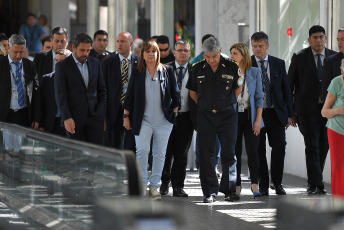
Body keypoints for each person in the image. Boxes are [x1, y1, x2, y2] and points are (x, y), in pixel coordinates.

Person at [187, 37, 243, 203]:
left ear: (220, 51)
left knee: (229, 154)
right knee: (206, 155)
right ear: (204, 54)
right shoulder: (196, 68)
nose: (211, 60)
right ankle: (209, 191)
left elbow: (238, 88)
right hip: (205, 116)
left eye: (214, 56)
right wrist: (205, 106)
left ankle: (230, 190)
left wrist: (225, 104)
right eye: (208, 57)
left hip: (227, 116)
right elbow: (193, 93)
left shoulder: (232, 66)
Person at [123, 41, 180, 200]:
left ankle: (154, 186)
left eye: (154, 51)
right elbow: (130, 96)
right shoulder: (137, 72)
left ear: (158, 54)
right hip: (143, 121)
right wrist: (126, 116)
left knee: (160, 154)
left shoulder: (167, 70)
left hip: (163, 122)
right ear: (143, 54)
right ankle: (142, 184)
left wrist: (174, 111)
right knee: (142, 152)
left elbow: (175, 94)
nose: (150, 54)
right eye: (147, 51)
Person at [289, 25, 336, 195]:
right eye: (314, 37)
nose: (318, 40)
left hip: (329, 111)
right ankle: (316, 185)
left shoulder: (334, 57)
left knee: (324, 147)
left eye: (321, 37)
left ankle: (315, 181)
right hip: (307, 111)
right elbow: (290, 85)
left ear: (325, 38)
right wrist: (291, 113)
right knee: (312, 147)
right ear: (309, 40)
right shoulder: (300, 57)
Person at [251, 31, 294, 196]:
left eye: (261, 46)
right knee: (258, 149)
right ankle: (263, 183)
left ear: (267, 46)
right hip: (257, 115)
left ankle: (277, 182)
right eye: (254, 46)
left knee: (279, 147)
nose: (257, 50)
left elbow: (286, 90)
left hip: (276, 113)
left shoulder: (278, 63)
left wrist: (290, 114)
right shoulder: (248, 64)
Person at [54, 33, 107, 145]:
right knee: (75, 157)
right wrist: (66, 117)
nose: (85, 54)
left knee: (96, 154)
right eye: (82, 50)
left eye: (88, 50)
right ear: (73, 47)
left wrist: (101, 111)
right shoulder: (62, 66)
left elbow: (102, 90)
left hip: (95, 117)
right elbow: (60, 95)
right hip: (73, 120)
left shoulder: (95, 63)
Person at [160, 40, 196, 197]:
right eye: (180, 50)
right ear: (174, 52)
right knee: (165, 153)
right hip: (166, 117)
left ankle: (178, 186)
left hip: (186, 118)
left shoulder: (194, 70)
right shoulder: (165, 69)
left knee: (182, 154)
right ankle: (164, 183)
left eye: (186, 51)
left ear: (189, 53)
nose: (183, 53)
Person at [230, 42, 264, 199]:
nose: (232, 56)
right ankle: (236, 186)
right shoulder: (229, 71)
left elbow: (259, 97)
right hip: (234, 116)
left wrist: (258, 120)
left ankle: (254, 185)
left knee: (253, 152)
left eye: (235, 53)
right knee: (234, 152)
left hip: (251, 116)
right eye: (231, 53)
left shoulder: (254, 72)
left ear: (243, 55)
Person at [102, 32, 139, 151]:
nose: (119, 44)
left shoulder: (139, 62)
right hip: (114, 111)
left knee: (132, 147)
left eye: (123, 41)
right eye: (117, 41)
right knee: (114, 146)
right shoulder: (108, 63)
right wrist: (103, 115)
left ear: (131, 43)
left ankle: (130, 169)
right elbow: (103, 89)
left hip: (134, 110)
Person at [0, 34, 40, 129]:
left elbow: (36, 93)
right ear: (8, 48)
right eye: (15, 52)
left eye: (21, 52)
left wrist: (37, 118)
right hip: (4, 114)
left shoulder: (30, 66)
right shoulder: (1, 64)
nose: (18, 56)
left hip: (24, 115)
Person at [321, 63, 344, 198]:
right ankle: (339, 204)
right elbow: (324, 112)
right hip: (337, 131)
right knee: (338, 168)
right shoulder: (336, 82)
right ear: (341, 70)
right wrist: (339, 110)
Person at [40, 49, 71, 136]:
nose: (57, 63)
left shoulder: (75, 80)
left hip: (68, 123)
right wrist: (41, 124)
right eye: (56, 60)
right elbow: (41, 104)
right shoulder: (47, 79)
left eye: (61, 61)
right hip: (51, 124)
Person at [320, 27, 344, 101]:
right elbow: (325, 92)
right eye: (338, 39)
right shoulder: (330, 61)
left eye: (343, 39)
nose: (339, 42)